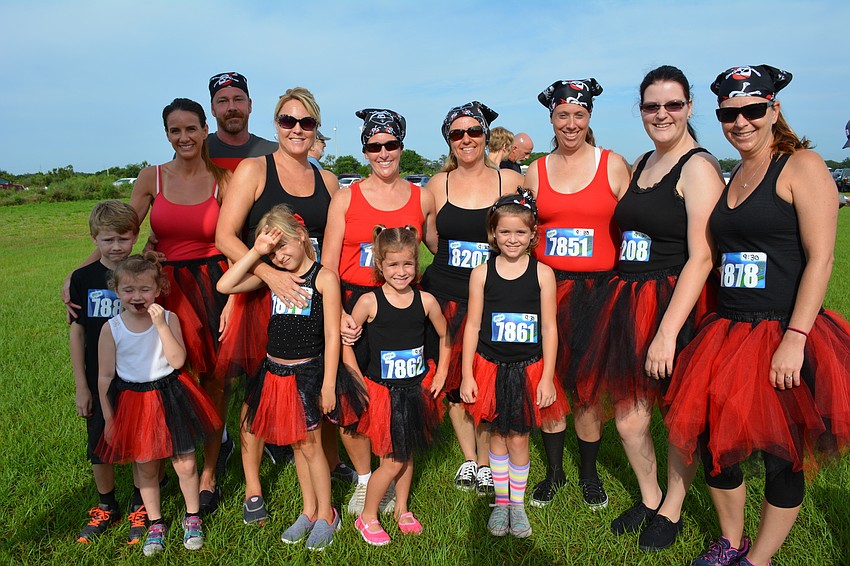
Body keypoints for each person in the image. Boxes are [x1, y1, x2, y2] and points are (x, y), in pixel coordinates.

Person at [665, 65, 850, 566]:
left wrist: (796, 336)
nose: (740, 121)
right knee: (712, 442)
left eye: (752, 110)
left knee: (782, 454)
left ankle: (759, 558)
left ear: (774, 109)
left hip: (783, 329)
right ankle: (730, 539)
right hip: (726, 330)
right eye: (729, 113)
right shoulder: (734, 172)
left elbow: (822, 259)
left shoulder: (801, 164)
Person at [577, 66, 722, 542]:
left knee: (679, 415)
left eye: (672, 105)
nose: (662, 114)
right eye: (651, 106)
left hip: (674, 305)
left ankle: (674, 509)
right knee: (629, 417)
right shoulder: (641, 162)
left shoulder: (698, 167)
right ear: (641, 110)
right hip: (627, 298)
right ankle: (651, 497)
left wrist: (665, 332)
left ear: (689, 107)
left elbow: (702, 256)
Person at [216, 205, 365, 550]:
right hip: (274, 372)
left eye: (283, 247)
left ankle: (328, 513)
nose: (279, 256)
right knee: (298, 445)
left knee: (312, 446)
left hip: (308, 374)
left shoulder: (323, 277)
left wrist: (329, 384)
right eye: (273, 250)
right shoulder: (273, 276)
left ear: (301, 237)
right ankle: (309, 509)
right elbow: (226, 284)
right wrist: (257, 253)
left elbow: (331, 336)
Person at [216, 87, 341, 478]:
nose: (297, 129)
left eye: (306, 122)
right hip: (262, 295)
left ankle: (327, 464)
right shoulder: (255, 169)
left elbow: (330, 246)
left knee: (314, 382)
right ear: (276, 125)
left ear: (316, 127)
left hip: (310, 297)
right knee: (257, 393)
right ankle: (253, 485)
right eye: (288, 121)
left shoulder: (329, 180)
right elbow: (225, 236)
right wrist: (268, 275)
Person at [523, 78, 631, 510]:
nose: (571, 123)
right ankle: (554, 472)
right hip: (548, 289)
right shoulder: (536, 169)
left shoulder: (613, 164)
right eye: (563, 115)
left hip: (598, 291)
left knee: (588, 388)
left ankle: (588, 474)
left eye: (579, 115)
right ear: (552, 118)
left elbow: (634, 224)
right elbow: (524, 231)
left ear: (590, 118)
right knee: (551, 380)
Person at [322, 107, 437, 514]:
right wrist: (336, 313)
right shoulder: (346, 197)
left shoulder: (422, 196)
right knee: (353, 394)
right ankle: (366, 478)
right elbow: (329, 265)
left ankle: (395, 465)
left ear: (402, 146)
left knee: (398, 393)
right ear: (365, 150)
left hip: (403, 306)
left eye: (390, 144)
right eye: (374, 146)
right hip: (355, 303)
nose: (383, 153)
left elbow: (438, 248)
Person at [128, 97, 234, 515]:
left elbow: (236, 238)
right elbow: (122, 233)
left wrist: (238, 295)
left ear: (206, 130)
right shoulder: (150, 177)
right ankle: (154, 468)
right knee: (161, 377)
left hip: (213, 284)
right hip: (165, 285)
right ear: (167, 135)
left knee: (214, 379)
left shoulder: (223, 180)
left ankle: (207, 473)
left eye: (192, 128)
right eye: (176, 130)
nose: (184, 137)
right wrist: (82, 270)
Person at [420, 101, 520, 495]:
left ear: (484, 135)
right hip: (445, 293)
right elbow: (431, 238)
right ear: (449, 140)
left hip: (493, 296)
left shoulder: (508, 182)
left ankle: (487, 453)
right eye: (457, 134)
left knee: (485, 376)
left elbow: (521, 233)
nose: (466, 140)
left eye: (473, 132)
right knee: (453, 381)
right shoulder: (435, 185)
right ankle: (471, 460)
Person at [95, 254, 220, 556]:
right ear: (116, 290)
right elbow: (105, 377)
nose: (137, 297)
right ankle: (156, 523)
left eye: (144, 289)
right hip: (134, 401)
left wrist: (161, 325)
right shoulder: (111, 328)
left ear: (159, 289)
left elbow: (178, 361)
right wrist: (110, 420)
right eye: (128, 290)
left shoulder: (170, 319)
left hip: (171, 395)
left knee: (186, 463)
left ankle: (192, 517)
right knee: (147, 469)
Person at [460, 189, 568, 539]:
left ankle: (517, 506)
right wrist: (466, 374)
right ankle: (501, 502)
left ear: (533, 234)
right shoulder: (481, 273)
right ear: (493, 233)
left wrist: (547, 377)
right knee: (496, 439)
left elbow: (550, 327)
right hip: (489, 367)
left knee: (519, 439)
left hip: (528, 369)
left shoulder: (543, 274)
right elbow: (473, 326)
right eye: (505, 232)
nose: (512, 239)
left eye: (520, 232)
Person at [347, 226, 449, 545]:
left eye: (407, 264)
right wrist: (353, 376)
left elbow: (445, 336)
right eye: (393, 265)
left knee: (408, 450)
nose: (401, 272)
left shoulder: (427, 301)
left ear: (416, 264)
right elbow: (346, 341)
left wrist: (443, 371)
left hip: (414, 388)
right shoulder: (369, 302)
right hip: (381, 392)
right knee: (392, 459)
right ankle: (367, 517)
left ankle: (401, 508)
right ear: (380, 265)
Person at [69, 201, 147, 544]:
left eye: (124, 238)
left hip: (138, 375)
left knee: (140, 441)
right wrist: (81, 386)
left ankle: (141, 503)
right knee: (100, 441)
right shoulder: (83, 279)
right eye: (108, 240)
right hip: (97, 375)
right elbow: (77, 332)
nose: (116, 247)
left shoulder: (141, 275)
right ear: (94, 238)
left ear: (135, 236)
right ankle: (106, 505)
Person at [207, 72, 278, 172]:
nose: (232, 107)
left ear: (249, 105)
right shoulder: (198, 152)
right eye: (223, 101)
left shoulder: (273, 153)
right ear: (213, 109)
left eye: (238, 99)